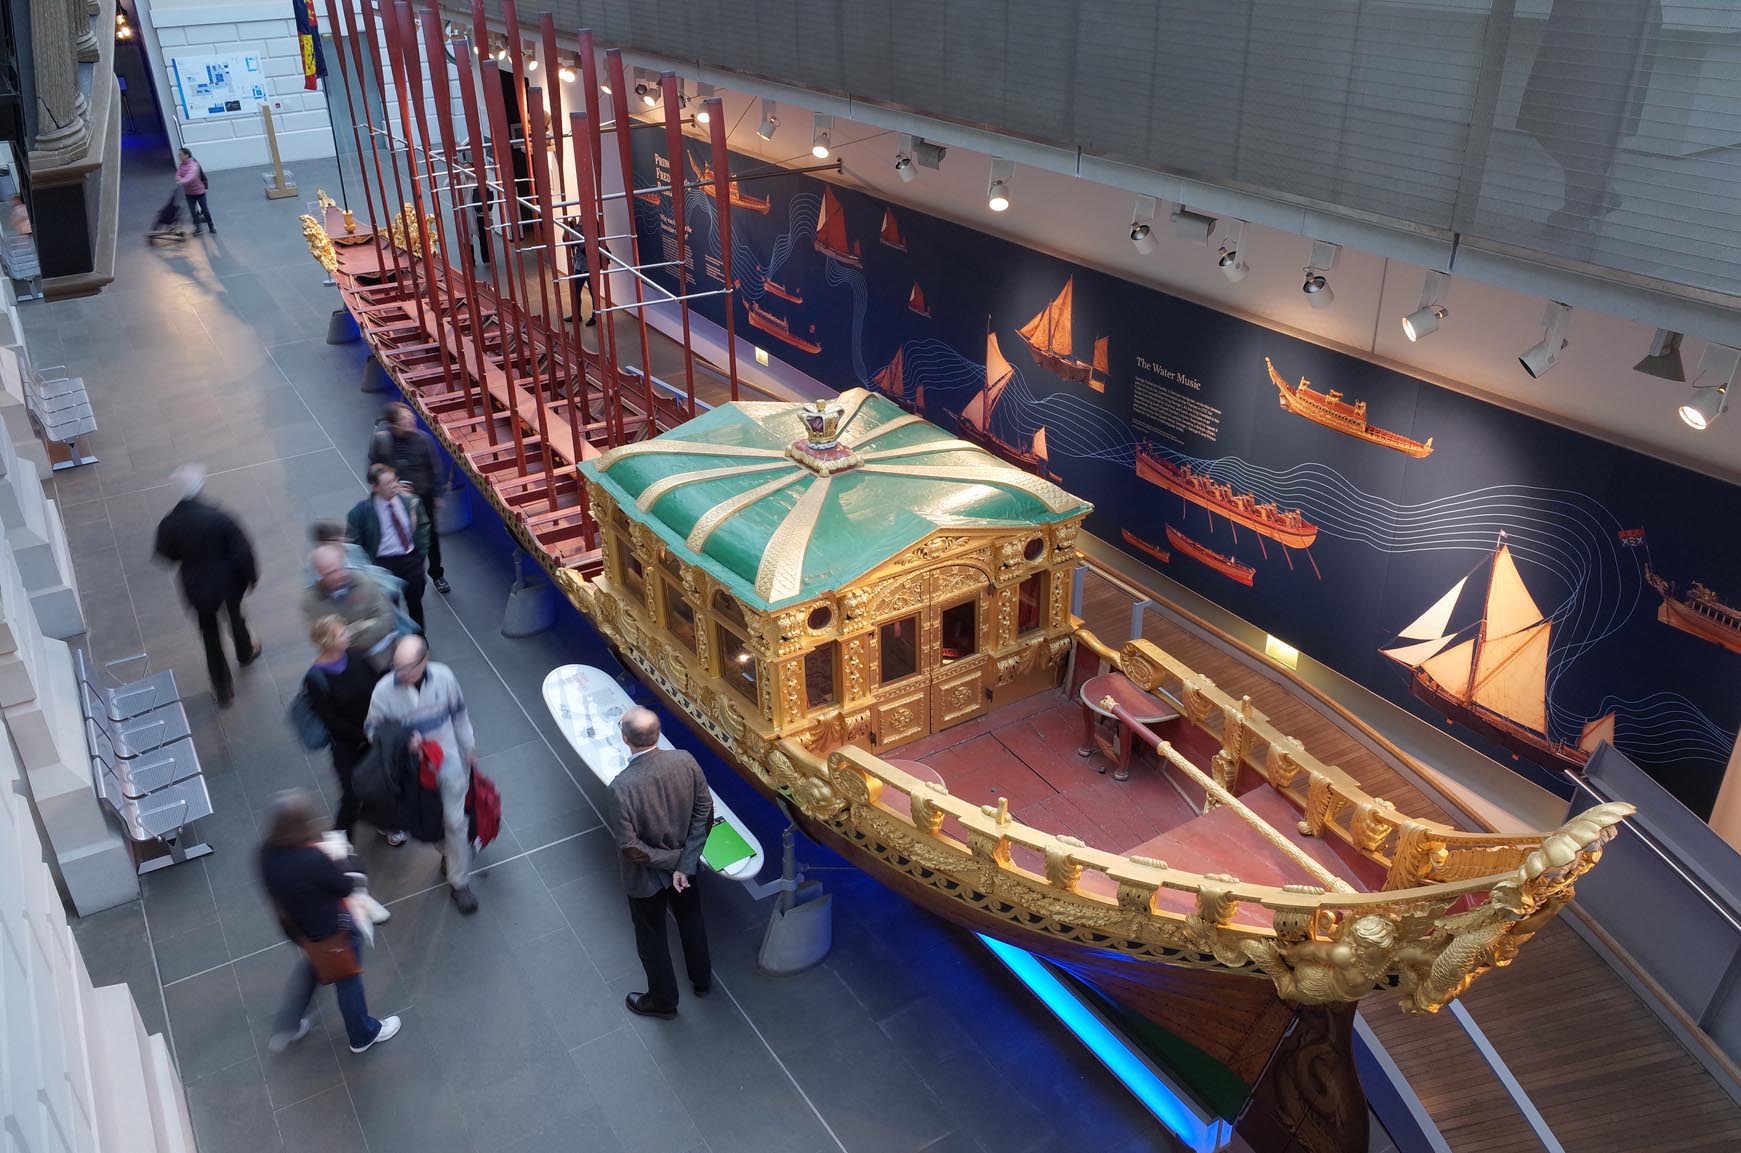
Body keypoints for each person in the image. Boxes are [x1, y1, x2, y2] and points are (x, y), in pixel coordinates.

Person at [259, 791, 401, 1055]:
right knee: (347, 979)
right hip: (333, 929)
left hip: (300, 929)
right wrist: (342, 860)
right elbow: (344, 886)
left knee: (313, 968)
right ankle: (362, 1035)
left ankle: (289, 1025)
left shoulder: (267, 853)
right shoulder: (310, 859)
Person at [608, 707, 713, 1019]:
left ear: (626, 739)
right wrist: (683, 863)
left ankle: (663, 1000)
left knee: (651, 936)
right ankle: (702, 979)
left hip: (645, 877)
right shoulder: (685, 760)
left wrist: (671, 863)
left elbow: (631, 848)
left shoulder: (621, 787)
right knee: (691, 920)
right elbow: (704, 813)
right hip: (686, 867)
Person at [366, 636, 480, 913]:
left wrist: (468, 747)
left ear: (424, 661)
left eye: (407, 668)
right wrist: (403, 741)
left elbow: (459, 714)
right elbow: (372, 731)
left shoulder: (444, 678)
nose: (400, 674)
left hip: (449, 762)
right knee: (426, 823)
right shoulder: (383, 692)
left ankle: (459, 881)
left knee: (455, 821)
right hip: (413, 772)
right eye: (397, 667)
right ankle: (448, 851)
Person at [152, 464, 260, 706]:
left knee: (210, 636)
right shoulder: (220, 516)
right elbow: (243, 550)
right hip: (229, 583)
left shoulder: (169, 524)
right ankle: (245, 652)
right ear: (200, 487)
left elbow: (166, 556)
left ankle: (222, 687)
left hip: (197, 588)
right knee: (235, 617)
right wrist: (252, 577)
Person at [302, 615, 405, 846]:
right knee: (351, 794)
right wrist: (363, 734)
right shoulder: (315, 678)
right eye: (342, 633)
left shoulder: (357, 655)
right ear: (329, 642)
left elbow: (378, 682)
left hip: (373, 734)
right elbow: (331, 720)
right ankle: (338, 845)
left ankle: (385, 821)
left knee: (384, 780)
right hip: (347, 744)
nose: (348, 635)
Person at [367, 404, 451, 594]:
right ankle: (404, 572)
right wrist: (388, 488)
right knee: (398, 533)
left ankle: (437, 574)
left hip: (423, 496)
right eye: (405, 420)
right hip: (394, 498)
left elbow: (434, 467)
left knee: (430, 535)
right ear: (394, 424)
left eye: (410, 417)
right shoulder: (381, 441)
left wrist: (437, 494)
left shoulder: (423, 440)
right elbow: (374, 469)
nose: (411, 421)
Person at [346, 463, 429, 630]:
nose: (394, 486)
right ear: (375, 487)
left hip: (410, 559)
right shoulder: (360, 513)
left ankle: (420, 638)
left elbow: (422, 526)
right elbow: (354, 545)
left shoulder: (410, 501)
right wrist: (368, 569)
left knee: (415, 603)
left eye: (394, 480)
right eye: (387, 484)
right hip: (382, 564)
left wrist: (420, 554)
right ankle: (398, 639)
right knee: (390, 607)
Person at [302, 545, 400, 670]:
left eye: (339, 568)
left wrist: (346, 635)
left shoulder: (364, 581)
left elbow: (386, 618)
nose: (338, 575)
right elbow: (324, 641)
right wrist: (365, 625)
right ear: (319, 573)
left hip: (383, 659)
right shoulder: (311, 602)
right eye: (330, 572)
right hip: (349, 669)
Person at [175, 148, 214, 234]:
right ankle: (198, 228)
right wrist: (180, 179)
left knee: (205, 210)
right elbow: (177, 175)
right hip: (189, 193)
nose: (179, 156)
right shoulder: (181, 166)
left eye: (181, 154)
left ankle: (211, 226)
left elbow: (190, 177)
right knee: (193, 211)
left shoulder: (194, 165)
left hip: (199, 192)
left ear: (186, 155)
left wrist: (181, 181)